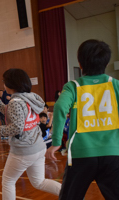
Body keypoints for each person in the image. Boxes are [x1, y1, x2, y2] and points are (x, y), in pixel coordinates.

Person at [46, 39, 119, 199]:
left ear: (80, 63)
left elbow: (59, 107)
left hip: (81, 155)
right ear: (106, 63)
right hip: (112, 153)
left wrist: (56, 142)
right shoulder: (115, 85)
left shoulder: (73, 86)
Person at [0, 68, 61, 199]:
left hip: (24, 150)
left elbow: (16, 127)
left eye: (4, 81)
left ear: (11, 84)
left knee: (8, 181)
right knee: (39, 182)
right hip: (38, 147)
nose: (3, 84)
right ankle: (71, 194)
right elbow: (8, 111)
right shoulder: (29, 98)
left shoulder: (15, 102)